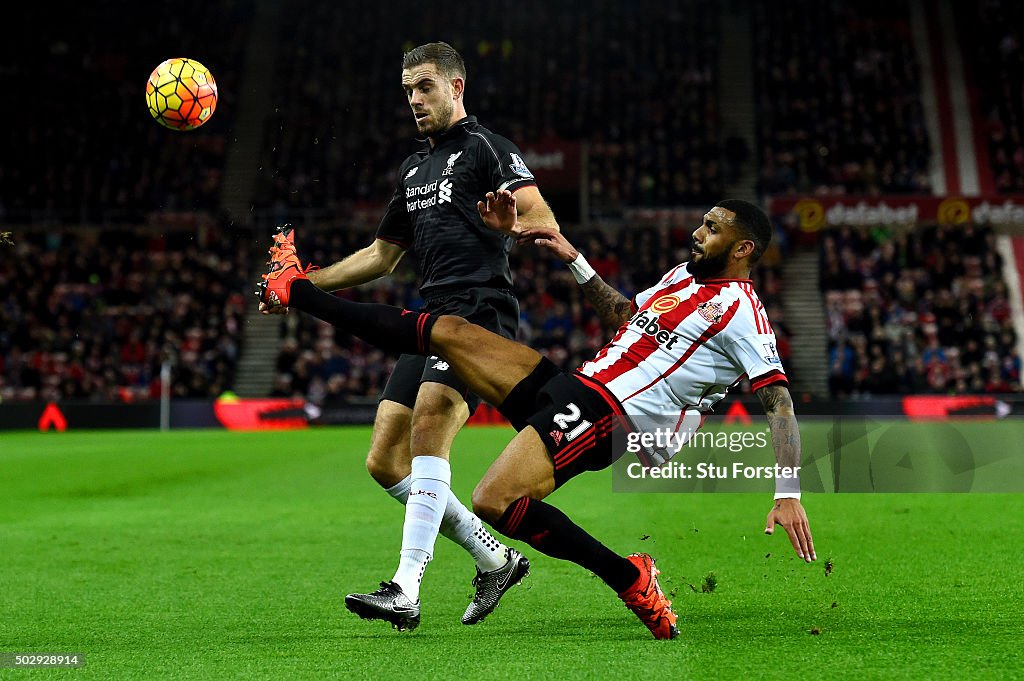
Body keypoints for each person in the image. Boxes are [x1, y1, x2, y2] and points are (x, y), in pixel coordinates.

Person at [257, 194, 816, 640]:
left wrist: (787, 490)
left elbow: (780, 403)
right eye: (701, 222)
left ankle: (630, 578)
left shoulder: (745, 314)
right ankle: (300, 290)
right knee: (450, 333)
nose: (698, 232)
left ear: (743, 248)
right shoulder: (680, 277)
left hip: (612, 416)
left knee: (491, 500)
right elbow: (627, 315)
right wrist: (572, 258)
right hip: (578, 385)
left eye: (712, 228)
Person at [261, 42, 561, 630]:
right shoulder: (414, 168)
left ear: (456, 86)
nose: (415, 100)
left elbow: (544, 221)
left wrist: (513, 225)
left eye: (425, 87)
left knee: (428, 428)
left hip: (480, 313)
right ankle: (492, 558)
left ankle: (405, 587)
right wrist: (300, 283)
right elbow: (381, 256)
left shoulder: (488, 149)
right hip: (431, 316)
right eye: (407, 91)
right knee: (383, 458)